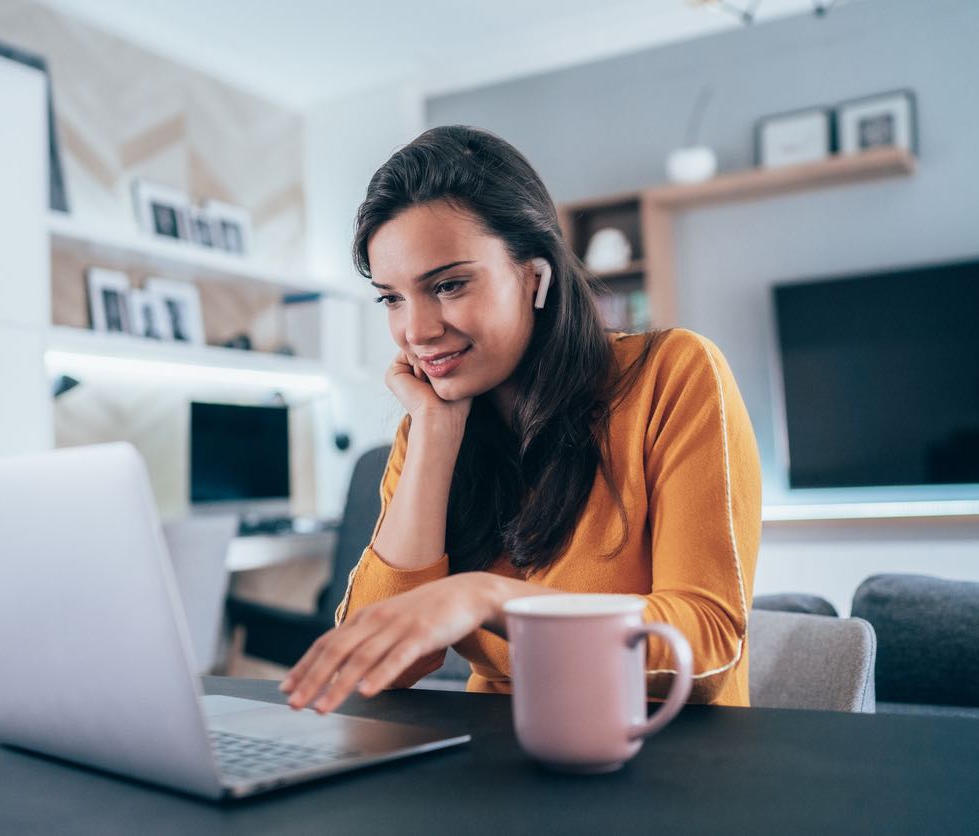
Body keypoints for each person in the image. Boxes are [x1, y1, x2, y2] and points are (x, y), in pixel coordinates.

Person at [280, 125, 760, 715]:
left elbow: (706, 647)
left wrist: (488, 598)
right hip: (501, 766)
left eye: (449, 285)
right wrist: (436, 434)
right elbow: (380, 668)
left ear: (534, 276)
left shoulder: (673, 374)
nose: (416, 331)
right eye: (392, 298)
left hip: (664, 757)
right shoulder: (430, 423)